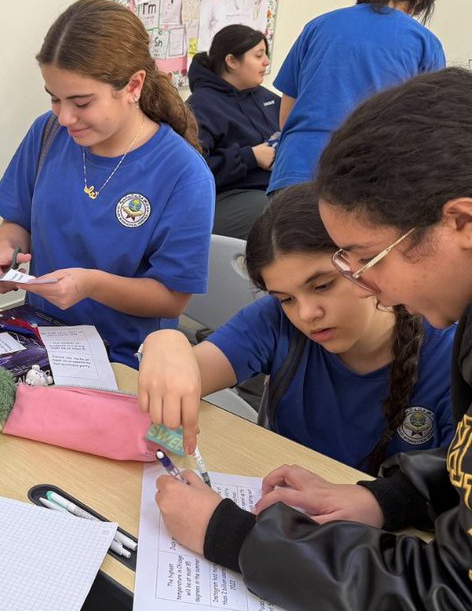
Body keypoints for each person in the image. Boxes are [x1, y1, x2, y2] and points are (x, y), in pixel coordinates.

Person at [157, 68, 472, 611]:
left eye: (364, 260)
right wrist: (389, 499)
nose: (372, 285)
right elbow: (461, 473)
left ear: (460, 223)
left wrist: (235, 538)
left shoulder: (440, 335)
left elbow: (455, 596)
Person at [138, 183, 455, 473]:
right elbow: (184, 378)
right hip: (284, 513)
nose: (306, 314)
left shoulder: (450, 355)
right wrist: (165, 342)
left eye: (323, 286)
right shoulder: (274, 319)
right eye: (286, 298)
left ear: (363, 263)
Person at [0, 0, 215, 366]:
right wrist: (5, 254)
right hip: (38, 339)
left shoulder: (183, 174)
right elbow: (17, 220)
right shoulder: (46, 135)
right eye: (55, 100)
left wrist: (91, 285)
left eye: (82, 102)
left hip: (124, 360)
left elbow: (172, 297)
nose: (65, 118)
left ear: (133, 86)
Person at [267, 0, 444, 194]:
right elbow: (429, 126)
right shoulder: (424, 41)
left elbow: (287, 114)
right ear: (417, 2)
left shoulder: (318, 26)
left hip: (298, 164)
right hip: (372, 172)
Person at [185, 25, 280, 239]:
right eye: (258, 55)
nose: (266, 62)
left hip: (273, 186)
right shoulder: (202, 106)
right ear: (231, 62)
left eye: (266, 54)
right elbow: (191, 171)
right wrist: (250, 157)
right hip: (227, 196)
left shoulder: (265, 97)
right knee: (284, 213)